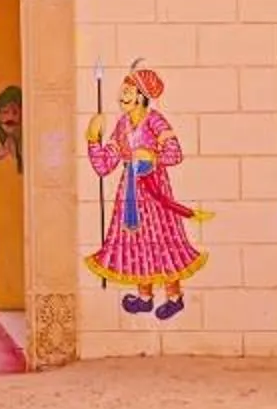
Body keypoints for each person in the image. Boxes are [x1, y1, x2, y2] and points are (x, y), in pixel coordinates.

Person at [85, 64, 203, 320]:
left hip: (154, 188)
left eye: (127, 92)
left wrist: (152, 155)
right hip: (129, 191)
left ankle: (174, 296)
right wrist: (93, 140)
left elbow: (175, 153)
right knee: (137, 242)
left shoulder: (155, 121)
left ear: (141, 95)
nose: (122, 97)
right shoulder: (121, 125)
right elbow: (104, 165)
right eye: (122, 91)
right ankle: (145, 297)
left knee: (161, 240)